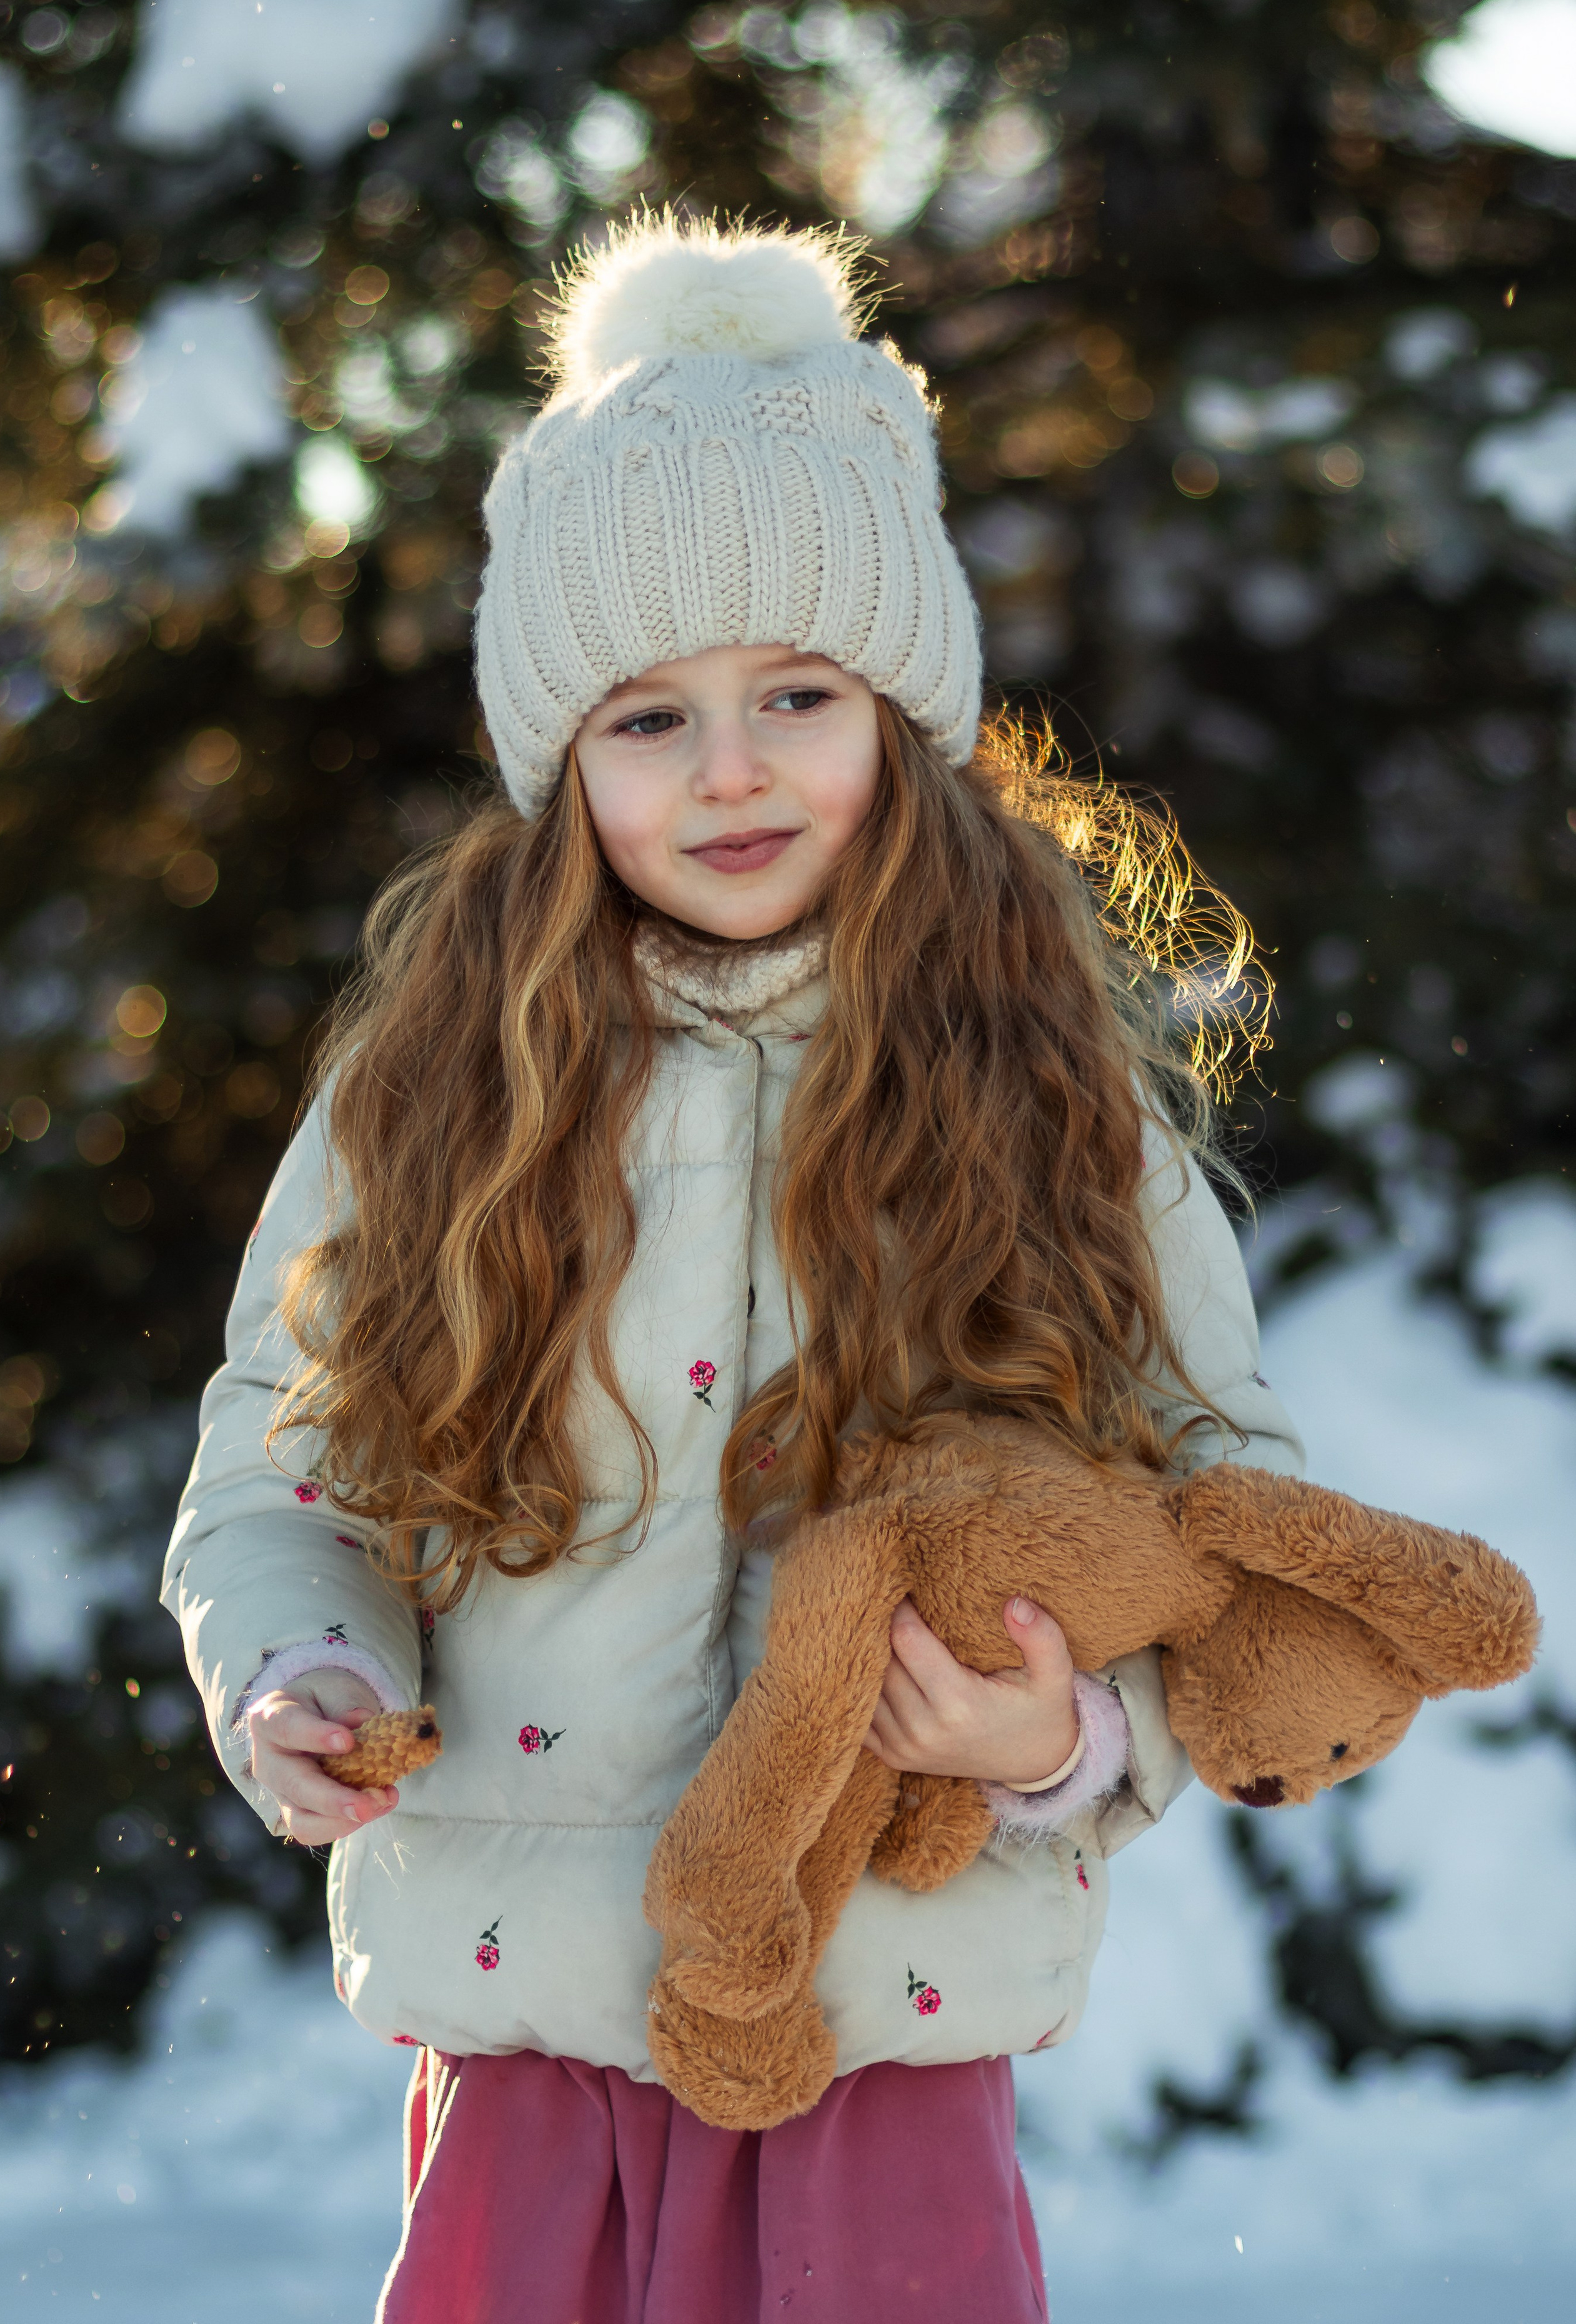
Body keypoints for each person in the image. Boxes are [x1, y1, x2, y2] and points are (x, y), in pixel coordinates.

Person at [162, 214, 1302, 2324]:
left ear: (905, 712)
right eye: (648, 718)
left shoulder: (1053, 1101)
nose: (733, 771)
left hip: (883, 2019)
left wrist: (1059, 1742)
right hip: (528, 2041)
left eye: (797, 691)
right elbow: (283, 1474)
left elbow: (1217, 1508)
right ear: (557, 763)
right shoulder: (432, 1096)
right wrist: (302, 1671)